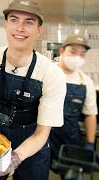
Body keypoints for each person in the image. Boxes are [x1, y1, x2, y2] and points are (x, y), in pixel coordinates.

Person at [0, 0, 67, 179]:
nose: (20, 28)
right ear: (6, 25)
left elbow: (42, 133)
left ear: (39, 30)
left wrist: (15, 158)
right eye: (14, 20)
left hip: (33, 143)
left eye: (29, 22)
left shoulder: (51, 74)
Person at [50, 35, 98, 178]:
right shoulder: (47, 73)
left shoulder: (85, 82)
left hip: (70, 140)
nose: (77, 57)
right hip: (43, 137)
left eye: (82, 54)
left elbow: (90, 114)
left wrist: (90, 144)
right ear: (62, 52)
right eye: (73, 51)